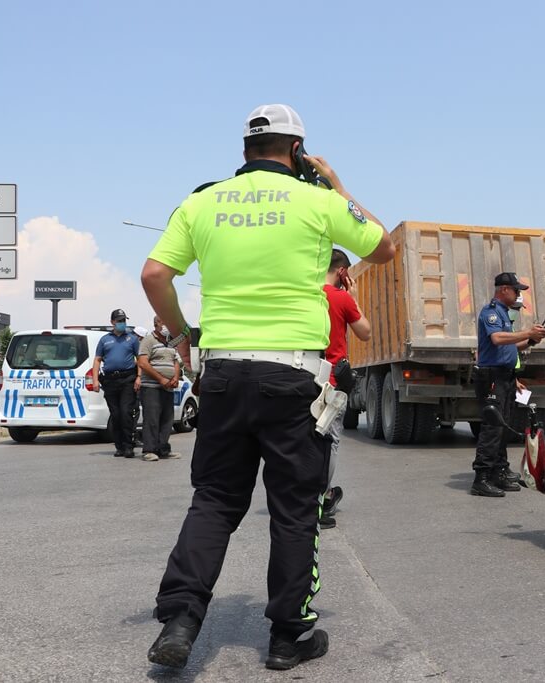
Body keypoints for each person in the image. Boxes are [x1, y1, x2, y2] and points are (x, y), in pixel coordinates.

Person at [140, 103, 395, 671]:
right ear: (297, 151)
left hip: (224, 373)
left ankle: (181, 619)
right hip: (293, 377)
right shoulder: (318, 200)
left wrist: (183, 334)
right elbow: (385, 247)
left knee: (214, 500)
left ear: (245, 150)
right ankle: (288, 637)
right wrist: (338, 184)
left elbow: (154, 274)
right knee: (294, 509)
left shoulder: (201, 201)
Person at [471, 273, 545, 497]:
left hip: (503, 376)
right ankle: (481, 478)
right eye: (516, 290)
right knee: (492, 427)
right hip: (491, 377)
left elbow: (510, 348)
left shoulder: (504, 314)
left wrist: (533, 339)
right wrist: (527, 332)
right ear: (504, 289)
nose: (518, 295)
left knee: (502, 426)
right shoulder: (491, 312)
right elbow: (497, 340)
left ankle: (499, 471)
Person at [318, 248, 371, 529]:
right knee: (330, 441)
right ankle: (322, 500)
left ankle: (303, 496)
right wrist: (352, 298)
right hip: (333, 384)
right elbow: (365, 331)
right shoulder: (340, 297)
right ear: (342, 272)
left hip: (304, 378)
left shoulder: (306, 294)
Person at [91, 308, 140, 459]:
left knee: (126, 412)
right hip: (110, 381)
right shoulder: (105, 340)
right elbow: (97, 360)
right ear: (112, 322)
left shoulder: (132, 339)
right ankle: (119, 446)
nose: (122, 323)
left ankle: (128, 446)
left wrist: (139, 377)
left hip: (127, 379)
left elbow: (140, 359)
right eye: (119, 321)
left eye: (124, 320)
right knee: (116, 414)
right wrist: (95, 380)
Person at [137, 316, 182, 461]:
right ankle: (149, 450)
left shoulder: (171, 342)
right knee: (152, 418)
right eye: (164, 323)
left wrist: (175, 377)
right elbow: (143, 363)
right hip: (151, 386)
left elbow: (175, 361)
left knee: (167, 419)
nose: (167, 326)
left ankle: (163, 449)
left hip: (168, 387)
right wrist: (161, 378)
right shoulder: (148, 340)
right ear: (156, 324)